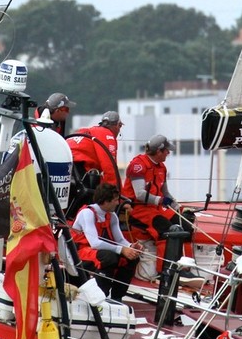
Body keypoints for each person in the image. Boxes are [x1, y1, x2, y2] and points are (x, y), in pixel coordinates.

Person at [121, 133, 192, 281]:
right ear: (159, 151)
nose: (169, 153)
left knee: (186, 226)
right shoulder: (138, 165)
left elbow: (165, 192)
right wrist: (161, 200)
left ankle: (184, 266)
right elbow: (139, 194)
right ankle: (165, 271)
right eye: (167, 150)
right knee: (168, 231)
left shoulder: (162, 167)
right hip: (139, 210)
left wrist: (176, 205)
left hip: (156, 208)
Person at [71, 183, 141, 301]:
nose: (118, 203)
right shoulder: (87, 213)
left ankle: (117, 297)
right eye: (115, 200)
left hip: (97, 252)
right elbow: (95, 243)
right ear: (105, 201)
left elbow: (119, 240)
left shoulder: (112, 216)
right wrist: (121, 249)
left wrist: (130, 246)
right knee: (109, 257)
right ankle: (100, 296)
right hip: (79, 252)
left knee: (131, 258)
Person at [69, 111, 124, 187]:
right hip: (79, 167)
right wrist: (116, 191)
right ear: (117, 125)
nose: (119, 130)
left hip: (66, 164)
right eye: (120, 126)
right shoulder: (107, 134)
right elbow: (109, 166)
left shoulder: (87, 131)